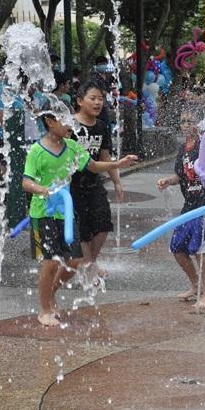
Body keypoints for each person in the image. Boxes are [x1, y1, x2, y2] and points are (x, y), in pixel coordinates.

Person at [22, 110, 138, 326]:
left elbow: (93, 166)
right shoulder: (37, 151)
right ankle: (44, 310)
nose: (70, 125)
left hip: (66, 213)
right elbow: (26, 182)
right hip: (44, 213)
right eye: (64, 120)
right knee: (50, 262)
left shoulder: (72, 147)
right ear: (49, 121)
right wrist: (43, 189)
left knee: (75, 260)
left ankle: (52, 293)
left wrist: (117, 164)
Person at [156, 109, 205, 311]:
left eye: (189, 121)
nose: (185, 125)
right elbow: (179, 176)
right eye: (182, 121)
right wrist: (168, 181)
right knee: (177, 248)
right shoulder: (182, 149)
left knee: (199, 250)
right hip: (189, 206)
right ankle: (195, 286)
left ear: (197, 124)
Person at [69, 82, 124, 273]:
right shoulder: (70, 126)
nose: (97, 102)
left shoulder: (101, 126)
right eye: (92, 98)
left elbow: (105, 156)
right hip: (72, 185)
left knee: (103, 225)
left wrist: (116, 181)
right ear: (79, 101)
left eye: (100, 99)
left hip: (94, 183)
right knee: (82, 228)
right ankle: (89, 266)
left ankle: (89, 262)